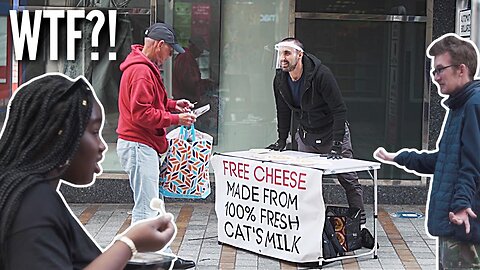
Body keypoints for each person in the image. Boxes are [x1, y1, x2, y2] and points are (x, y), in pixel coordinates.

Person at [0, 73, 176, 269]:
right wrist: (129, 244)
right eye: (94, 132)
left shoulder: (29, 193)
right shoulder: (34, 205)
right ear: (60, 137)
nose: (102, 146)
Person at [374, 34, 480, 269]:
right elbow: (443, 160)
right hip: (454, 222)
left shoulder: (473, 105)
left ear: (461, 69)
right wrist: (398, 157)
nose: (436, 78)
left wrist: (462, 205)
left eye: (440, 70)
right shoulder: (459, 104)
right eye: (434, 72)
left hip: (464, 223)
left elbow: (473, 164)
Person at [116, 22, 196, 269]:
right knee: (146, 209)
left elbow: (151, 103)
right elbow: (142, 114)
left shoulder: (143, 66)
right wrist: (175, 119)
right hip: (139, 145)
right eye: (170, 51)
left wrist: (173, 105)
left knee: (153, 205)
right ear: (160, 45)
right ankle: (139, 261)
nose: (170, 56)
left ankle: (163, 258)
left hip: (141, 145)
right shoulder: (141, 71)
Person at [267, 37, 366, 225]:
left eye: (287, 53)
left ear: (299, 55)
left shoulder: (321, 74)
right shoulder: (280, 78)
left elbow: (339, 110)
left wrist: (337, 144)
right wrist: (282, 139)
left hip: (331, 132)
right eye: (280, 54)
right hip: (306, 134)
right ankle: (308, 225)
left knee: (348, 179)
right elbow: (283, 110)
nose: (283, 58)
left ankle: (358, 225)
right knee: (305, 181)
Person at [172, 35, 214, 103]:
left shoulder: (187, 57)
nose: (202, 52)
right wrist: (205, 85)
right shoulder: (186, 58)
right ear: (195, 47)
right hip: (185, 99)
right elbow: (190, 83)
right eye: (201, 48)